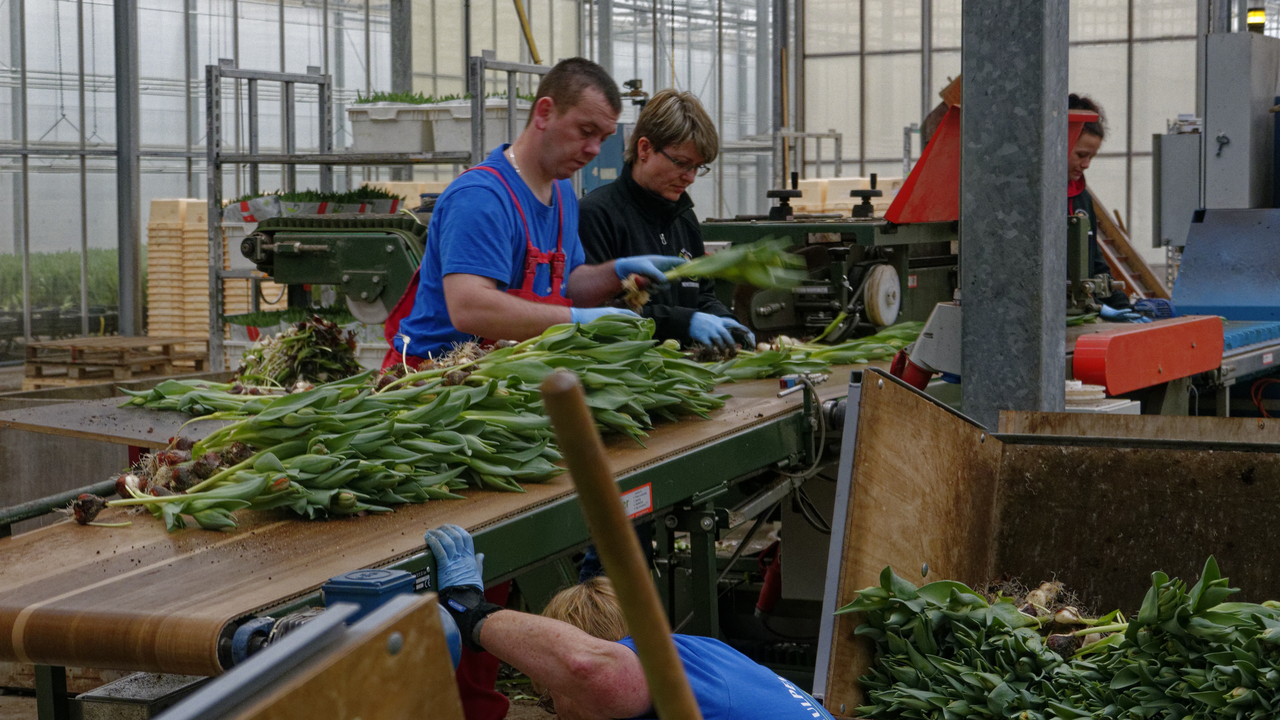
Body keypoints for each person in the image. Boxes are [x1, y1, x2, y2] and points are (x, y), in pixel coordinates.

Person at [383, 58, 688, 369]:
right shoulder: (480, 199)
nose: (595, 149)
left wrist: (618, 274)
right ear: (544, 112)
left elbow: (565, 285)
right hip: (435, 383)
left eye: (603, 138)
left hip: (503, 374)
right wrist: (576, 320)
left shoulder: (562, 192)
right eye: (586, 131)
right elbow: (470, 309)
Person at [426, 525, 837, 720]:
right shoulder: (703, 657)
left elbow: (588, 669)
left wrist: (471, 611)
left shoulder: (627, 676)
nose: (556, 709)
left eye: (552, 693)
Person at [579, 89, 754, 349]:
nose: (690, 177)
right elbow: (601, 315)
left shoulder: (684, 218)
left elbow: (701, 295)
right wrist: (684, 322)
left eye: (698, 167)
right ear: (645, 149)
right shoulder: (596, 216)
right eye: (682, 163)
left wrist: (726, 320)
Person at [1067, 93, 1134, 317]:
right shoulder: (1033, 203)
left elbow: (1096, 264)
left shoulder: (1081, 198)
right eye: (1081, 155)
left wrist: (1124, 308)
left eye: (1091, 158)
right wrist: (1097, 307)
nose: (1085, 165)